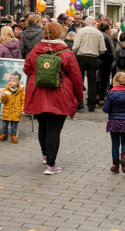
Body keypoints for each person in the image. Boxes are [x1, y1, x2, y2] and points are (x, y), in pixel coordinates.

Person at [23, 22, 83, 175]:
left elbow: (27, 69)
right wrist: (79, 97)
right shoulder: (66, 52)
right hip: (60, 95)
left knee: (43, 126)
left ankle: (45, 155)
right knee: (54, 130)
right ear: (60, 34)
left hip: (38, 94)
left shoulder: (36, 50)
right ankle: (51, 165)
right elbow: (76, 77)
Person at [103, 71, 125, 174]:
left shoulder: (111, 93)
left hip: (113, 122)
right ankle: (124, 157)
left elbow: (106, 109)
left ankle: (115, 165)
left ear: (115, 82)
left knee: (115, 144)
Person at [72, 17, 106, 111]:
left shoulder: (81, 31)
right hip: (93, 58)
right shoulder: (98, 33)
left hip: (81, 57)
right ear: (93, 23)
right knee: (92, 82)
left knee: (79, 80)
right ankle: (91, 105)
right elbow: (103, 49)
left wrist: (75, 53)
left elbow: (75, 46)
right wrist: (97, 53)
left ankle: (79, 103)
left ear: (85, 23)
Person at [0, 72, 25, 142]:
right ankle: (4, 135)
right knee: (4, 125)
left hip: (16, 111)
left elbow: (23, 101)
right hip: (7, 111)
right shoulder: (6, 90)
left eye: (13, 81)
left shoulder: (21, 91)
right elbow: (2, 101)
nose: (11, 82)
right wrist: (4, 97)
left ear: (18, 83)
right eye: (9, 81)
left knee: (14, 125)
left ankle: (13, 136)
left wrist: (22, 110)